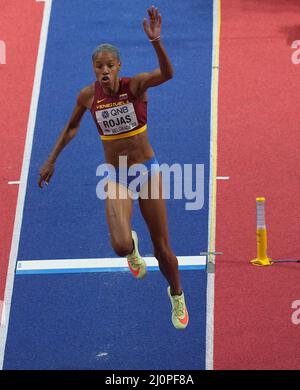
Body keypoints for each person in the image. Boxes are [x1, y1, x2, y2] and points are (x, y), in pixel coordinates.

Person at [38, 5, 188, 330]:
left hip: (146, 172)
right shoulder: (88, 96)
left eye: (109, 65)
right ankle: (132, 247)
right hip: (116, 176)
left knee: (163, 249)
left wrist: (156, 41)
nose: (104, 70)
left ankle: (176, 294)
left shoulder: (136, 87)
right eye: (98, 66)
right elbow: (72, 127)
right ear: (93, 69)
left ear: (119, 66)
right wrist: (52, 159)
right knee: (120, 247)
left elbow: (169, 74)